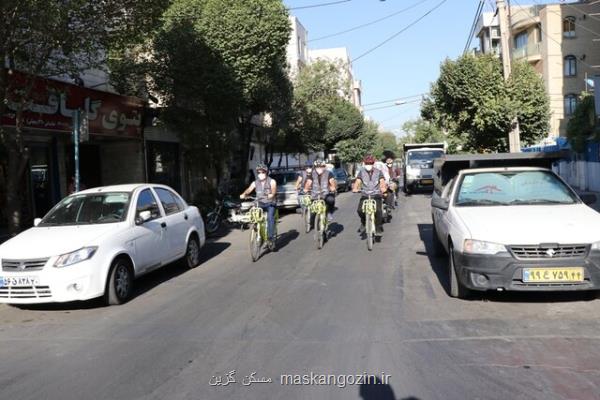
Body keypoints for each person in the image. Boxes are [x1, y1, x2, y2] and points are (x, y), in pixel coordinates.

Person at [240, 164, 277, 248]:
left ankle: (270, 238)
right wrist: (244, 194)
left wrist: (272, 195)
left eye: (262, 172)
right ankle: (258, 230)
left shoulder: (272, 181)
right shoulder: (255, 182)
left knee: (270, 218)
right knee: (254, 215)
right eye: (259, 172)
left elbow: (274, 190)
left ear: (266, 172)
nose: (261, 174)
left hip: (270, 203)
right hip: (260, 203)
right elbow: (249, 189)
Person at [353, 155, 387, 235]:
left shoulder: (378, 172)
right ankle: (364, 223)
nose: (369, 165)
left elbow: (382, 182)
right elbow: (358, 182)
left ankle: (378, 228)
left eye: (370, 163)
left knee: (378, 211)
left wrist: (383, 188)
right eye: (367, 163)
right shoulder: (361, 172)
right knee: (360, 210)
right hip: (365, 195)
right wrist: (355, 188)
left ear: (373, 163)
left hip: (376, 195)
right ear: (364, 163)